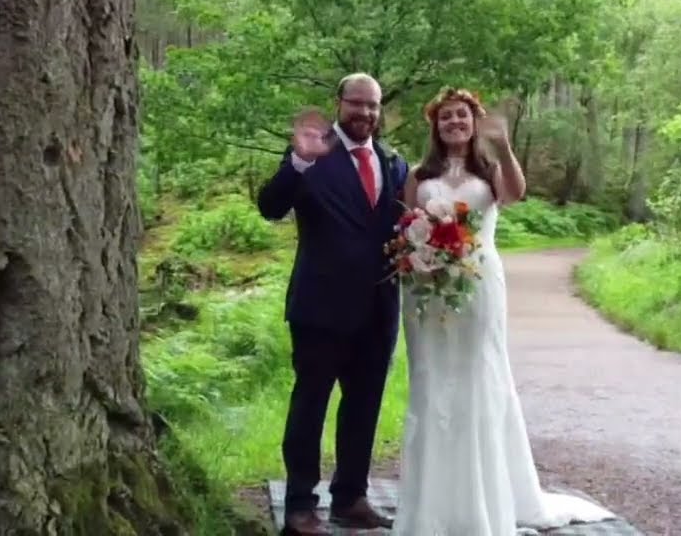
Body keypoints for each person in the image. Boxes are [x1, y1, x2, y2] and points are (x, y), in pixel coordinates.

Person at [393, 86, 616, 534]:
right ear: (435, 126)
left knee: (477, 376)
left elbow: (514, 196)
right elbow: (406, 223)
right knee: (432, 379)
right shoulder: (419, 174)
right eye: (445, 116)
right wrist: (418, 254)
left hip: (478, 284)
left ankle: (483, 501)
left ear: (474, 121)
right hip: (427, 289)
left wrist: (505, 146)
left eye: (461, 115)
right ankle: (432, 505)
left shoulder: (491, 169)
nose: (454, 122)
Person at [256, 73, 409, 535]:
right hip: (321, 308)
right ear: (339, 103)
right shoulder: (313, 155)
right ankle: (300, 504)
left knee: (363, 407)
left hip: (379, 309)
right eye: (356, 103)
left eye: (373, 105)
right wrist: (298, 162)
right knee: (310, 406)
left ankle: (350, 498)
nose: (365, 112)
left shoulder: (392, 162)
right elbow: (270, 206)